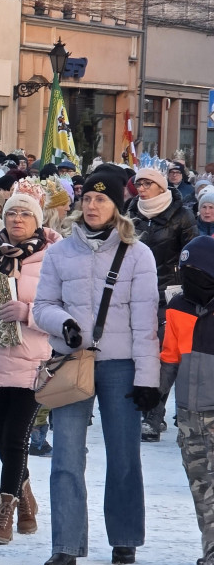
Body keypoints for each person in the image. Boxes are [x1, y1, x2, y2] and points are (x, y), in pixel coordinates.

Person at [33, 170, 160, 565]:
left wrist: (147, 378)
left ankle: (124, 537)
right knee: (66, 457)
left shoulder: (138, 254)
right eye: (87, 198)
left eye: (101, 200)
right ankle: (66, 544)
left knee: (124, 455)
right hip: (72, 363)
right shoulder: (59, 253)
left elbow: (146, 324)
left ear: (117, 207)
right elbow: (42, 306)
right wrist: (63, 324)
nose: (91, 206)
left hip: (121, 366)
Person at [0, 183, 61, 544]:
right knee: (1, 437)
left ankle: (4, 512)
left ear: (38, 219)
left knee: (16, 439)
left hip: (32, 361)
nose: (17, 219)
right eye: (12, 213)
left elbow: (67, 308)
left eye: (25, 213)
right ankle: (26, 497)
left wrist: (29, 312)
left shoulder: (54, 257)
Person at [126, 165, 197, 442]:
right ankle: (142, 407)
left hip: (170, 292)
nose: (141, 189)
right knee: (139, 350)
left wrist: (187, 290)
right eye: (139, 184)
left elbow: (191, 254)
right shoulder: (130, 212)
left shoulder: (181, 215)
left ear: (160, 187)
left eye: (147, 184)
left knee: (164, 354)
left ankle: (153, 416)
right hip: (134, 289)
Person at [159, 235, 214, 565]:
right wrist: (155, 395)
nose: (189, 277)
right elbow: (170, 356)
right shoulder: (178, 306)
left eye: (197, 271)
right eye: (185, 270)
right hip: (189, 414)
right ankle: (211, 550)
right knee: (201, 486)